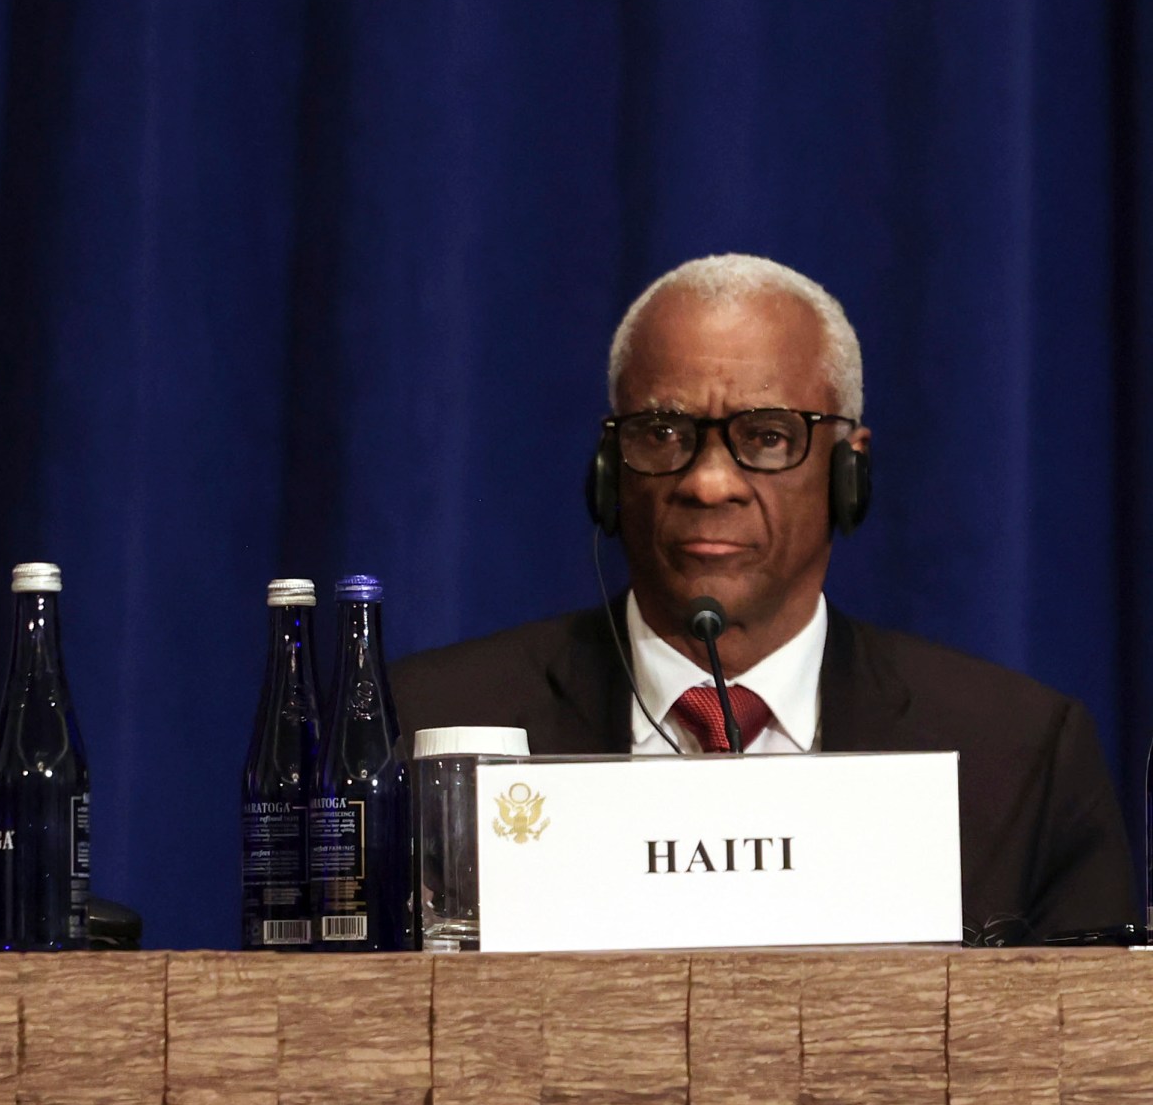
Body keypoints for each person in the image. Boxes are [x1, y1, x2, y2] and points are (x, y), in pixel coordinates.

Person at [393, 253, 1134, 943]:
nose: (709, 483)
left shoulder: (1018, 756)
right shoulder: (423, 730)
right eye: (662, 431)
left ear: (851, 472)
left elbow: (1097, 1057)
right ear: (609, 471)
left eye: (771, 436)